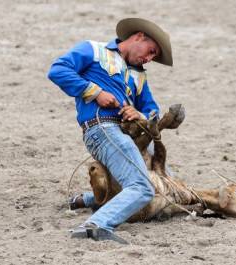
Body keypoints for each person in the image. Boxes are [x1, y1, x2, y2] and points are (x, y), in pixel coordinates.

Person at [48, 18, 173, 244]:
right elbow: (58, 70)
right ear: (139, 36)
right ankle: (95, 224)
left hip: (127, 135)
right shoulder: (92, 49)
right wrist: (94, 92)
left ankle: (88, 199)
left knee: (165, 183)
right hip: (102, 129)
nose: (149, 59)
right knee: (142, 188)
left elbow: (152, 109)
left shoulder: (139, 75)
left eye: (153, 56)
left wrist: (139, 114)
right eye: (151, 51)